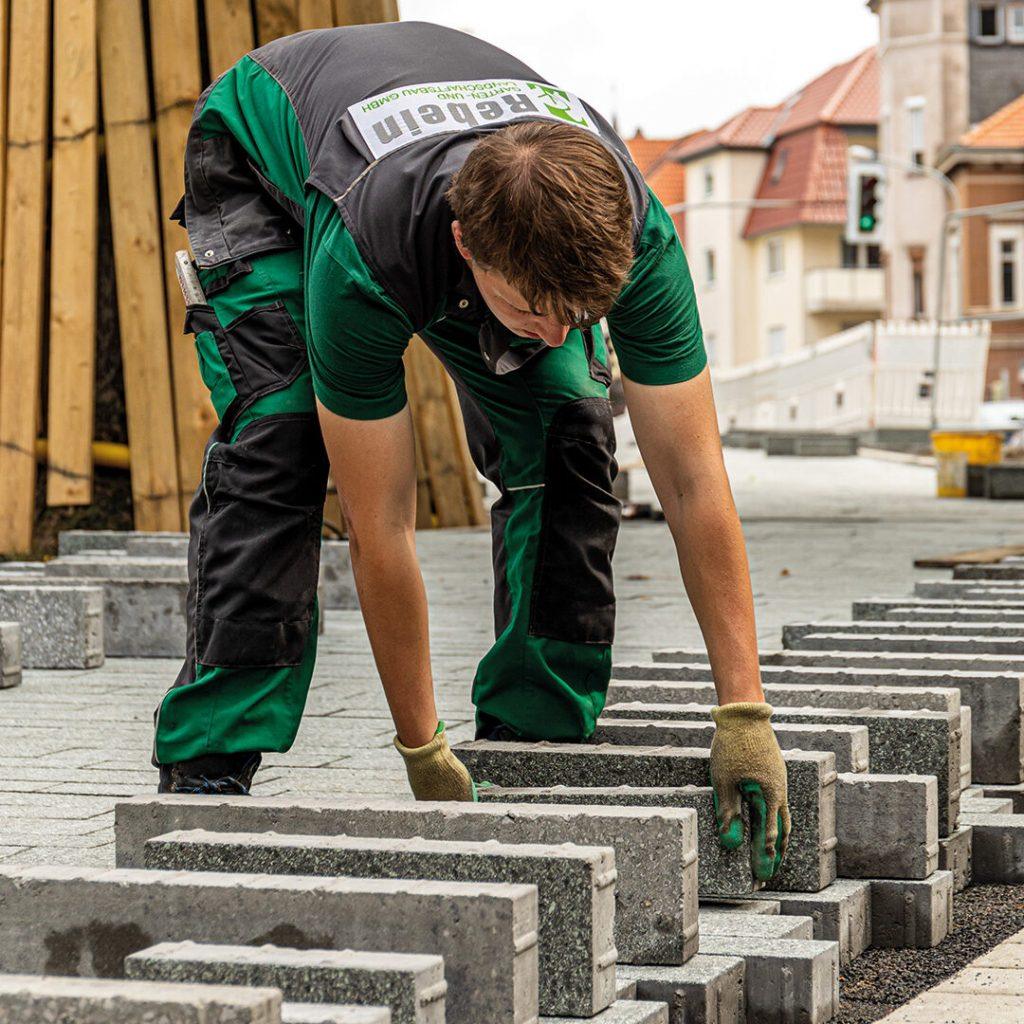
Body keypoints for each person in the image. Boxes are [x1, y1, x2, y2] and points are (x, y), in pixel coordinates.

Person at [152, 20, 791, 880]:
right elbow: (383, 526)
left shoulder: (636, 234)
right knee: (282, 436)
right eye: (535, 311)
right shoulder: (368, 254)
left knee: (571, 430)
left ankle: (535, 733)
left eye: (579, 314)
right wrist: (422, 747)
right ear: (465, 250)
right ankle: (210, 758)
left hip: (458, 173)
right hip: (266, 161)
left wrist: (744, 713)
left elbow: (693, 481)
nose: (560, 332)